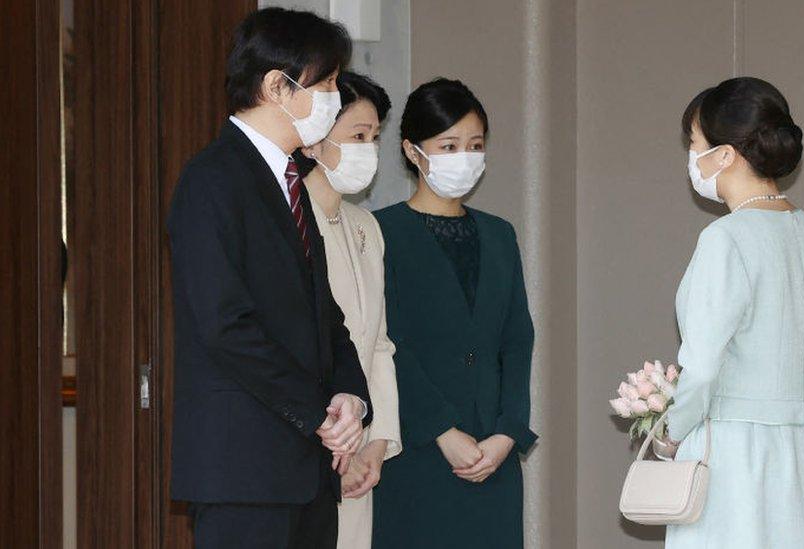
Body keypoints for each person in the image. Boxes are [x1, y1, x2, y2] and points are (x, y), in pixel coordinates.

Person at [166, 9, 371, 548]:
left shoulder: (290, 183)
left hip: (307, 471)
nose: (333, 97)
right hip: (245, 470)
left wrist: (351, 394)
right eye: (325, 83)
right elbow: (225, 325)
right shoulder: (211, 180)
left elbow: (324, 315)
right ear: (277, 86)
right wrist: (317, 414)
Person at [662, 77, 804, 548]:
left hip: (736, 456)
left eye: (695, 144)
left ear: (725, 155)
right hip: (803, 452)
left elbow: (700, 367)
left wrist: (671, 434)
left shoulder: (726, 239)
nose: (691, 157)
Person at [371, 78, 537, 549]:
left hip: (493, 455)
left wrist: (508, 432)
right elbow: (387, 340)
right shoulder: (382, 232)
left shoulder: (499, 234)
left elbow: (516, 340)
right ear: (412, 150)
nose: (464, 157)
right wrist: (442, 430)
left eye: (475, 145)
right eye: (448, 145)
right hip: (417, 450)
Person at [296, 70, 402, 549]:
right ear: (315, 141)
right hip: (319, 443)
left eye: (375, 138)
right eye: (357, 136)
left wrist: (377, 442)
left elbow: (377, 342)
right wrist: (338, 445)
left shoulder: (366, 226)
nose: (369, 150)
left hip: (360, 443)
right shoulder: (290, 219)